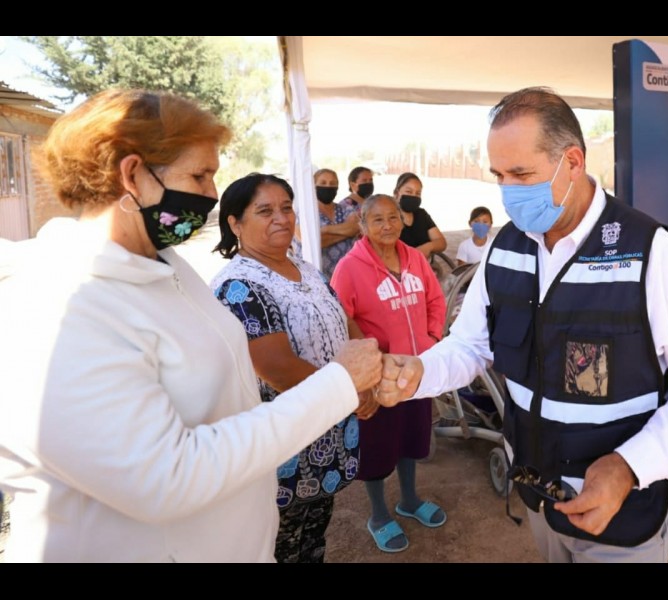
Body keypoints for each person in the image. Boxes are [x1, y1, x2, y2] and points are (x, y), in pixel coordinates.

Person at [0, 89, 386, 563]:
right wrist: (340, 384)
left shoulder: (167, 268)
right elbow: (165, 479)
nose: (211, 194)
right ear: (132, 174)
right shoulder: (60, 304)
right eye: (200, 175)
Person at [377, 87, 668, 563]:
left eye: (521, 174)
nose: (508, 191)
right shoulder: (504, 250)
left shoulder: (650, 253)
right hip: (539, 496)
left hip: (622, 514)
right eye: (499, 176)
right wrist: (420, 372)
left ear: (572, 161)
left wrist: (630, 466)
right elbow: (469, 346)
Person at [209, 172, 376, 563]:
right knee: (278, 545)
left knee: (313, 536)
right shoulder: (239, 286)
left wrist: (366, 370)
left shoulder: (306, 269)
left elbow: (343, 318)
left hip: (327, 431)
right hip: (285, 446)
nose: (281, 218)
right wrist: (351, 391)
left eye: (286, 208)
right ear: (235, 223)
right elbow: (277, 367)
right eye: (265, 211)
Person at [330, 194, 447, 554]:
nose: (387, 225)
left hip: (416, 369)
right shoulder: (349, 267)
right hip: (378, 375)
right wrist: (369, 362)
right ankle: (379, 514)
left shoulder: (415, 257)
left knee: (411, 437)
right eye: (377, 219)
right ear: (362, 225)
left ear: (402, 220)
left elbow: (435, 300)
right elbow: (341, 316)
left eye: (393, 217)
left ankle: (409, 500)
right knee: (378, 446)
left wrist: (431, 340)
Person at [314, 168, 360, 281]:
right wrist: (347, 232)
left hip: (349, 275)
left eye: (332, 183)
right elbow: (316, 241)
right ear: (313, 185)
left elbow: (356, 227)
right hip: (320, 278)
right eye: (323, 183)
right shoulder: (305, 214)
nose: (328, 186)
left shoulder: (345, 208)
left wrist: (324, 230)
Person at [394, 172, 447, 260]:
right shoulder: (389, 217)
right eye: (408, 192)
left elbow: (442, 242)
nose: (413, 196)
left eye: (418, 193)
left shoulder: (421, 214)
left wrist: (428, 247)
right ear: (397, 192)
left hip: (423, 265)